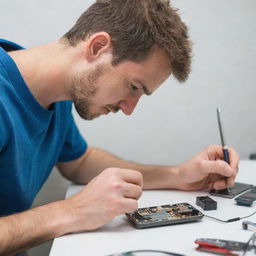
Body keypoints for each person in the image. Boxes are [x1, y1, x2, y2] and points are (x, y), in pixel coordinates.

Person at [0, 0, 239, 255]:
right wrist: (72, 211)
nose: (129, 108)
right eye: (134, 87)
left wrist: (178, 175)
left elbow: (79, 162)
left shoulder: (56, 96)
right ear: (98, 47)